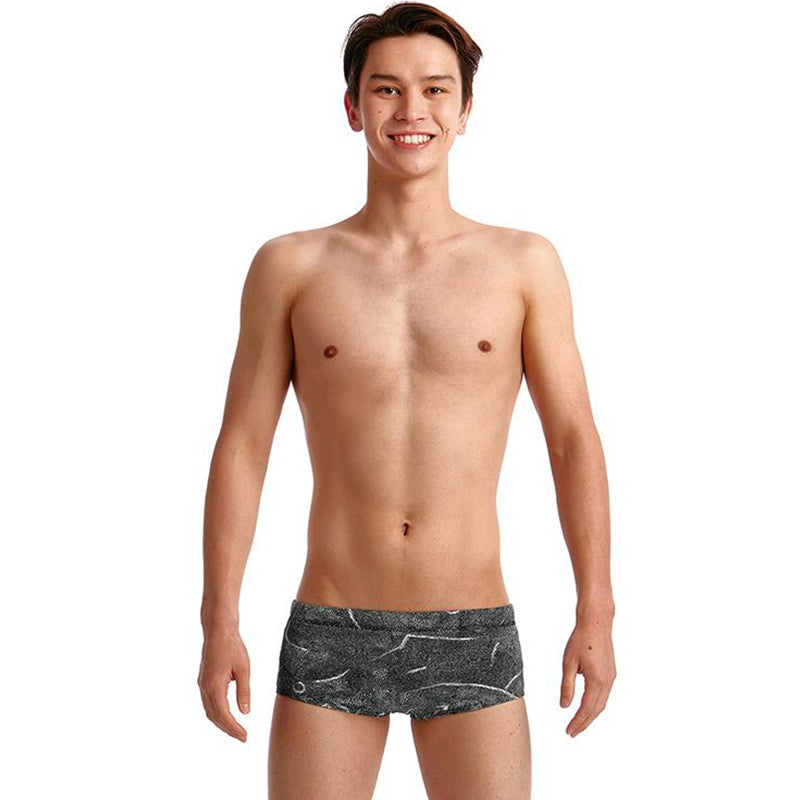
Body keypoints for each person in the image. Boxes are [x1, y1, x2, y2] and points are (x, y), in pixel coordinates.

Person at [197, 3, 616, 797]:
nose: (411, 110)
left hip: (470, 625)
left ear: (465, 109)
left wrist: (596, 611)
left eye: (435, 89)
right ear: (353, 108)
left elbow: (573, 440)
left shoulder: (523, 265)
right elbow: (243, 447)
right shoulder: (291, 267)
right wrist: (220, 619)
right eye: (387, 89)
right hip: (333, 622)